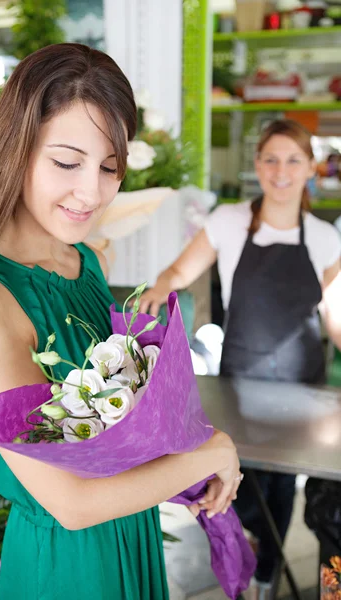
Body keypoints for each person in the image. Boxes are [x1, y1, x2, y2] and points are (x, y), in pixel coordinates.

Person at [0, 44, 242, 600]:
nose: (92, 192)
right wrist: (213, 452)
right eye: (66, 162)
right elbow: (70, 501)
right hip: (67, 565)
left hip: (133, 535)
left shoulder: (86, 263)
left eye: (109, 167)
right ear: (15, 150)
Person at [138, 119, 341, 586]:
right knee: (236, 480)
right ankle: (247, 553)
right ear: (257, 165)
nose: (281, 170)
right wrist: (159, 291)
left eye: (293, 159)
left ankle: (265, 576)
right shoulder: (228, 221)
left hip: (301, 388)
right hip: (240, 382)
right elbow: (177, 271)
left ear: (310, 167)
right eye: (270, 158)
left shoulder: (324, 238)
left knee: (283, 486)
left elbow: (334, 318)